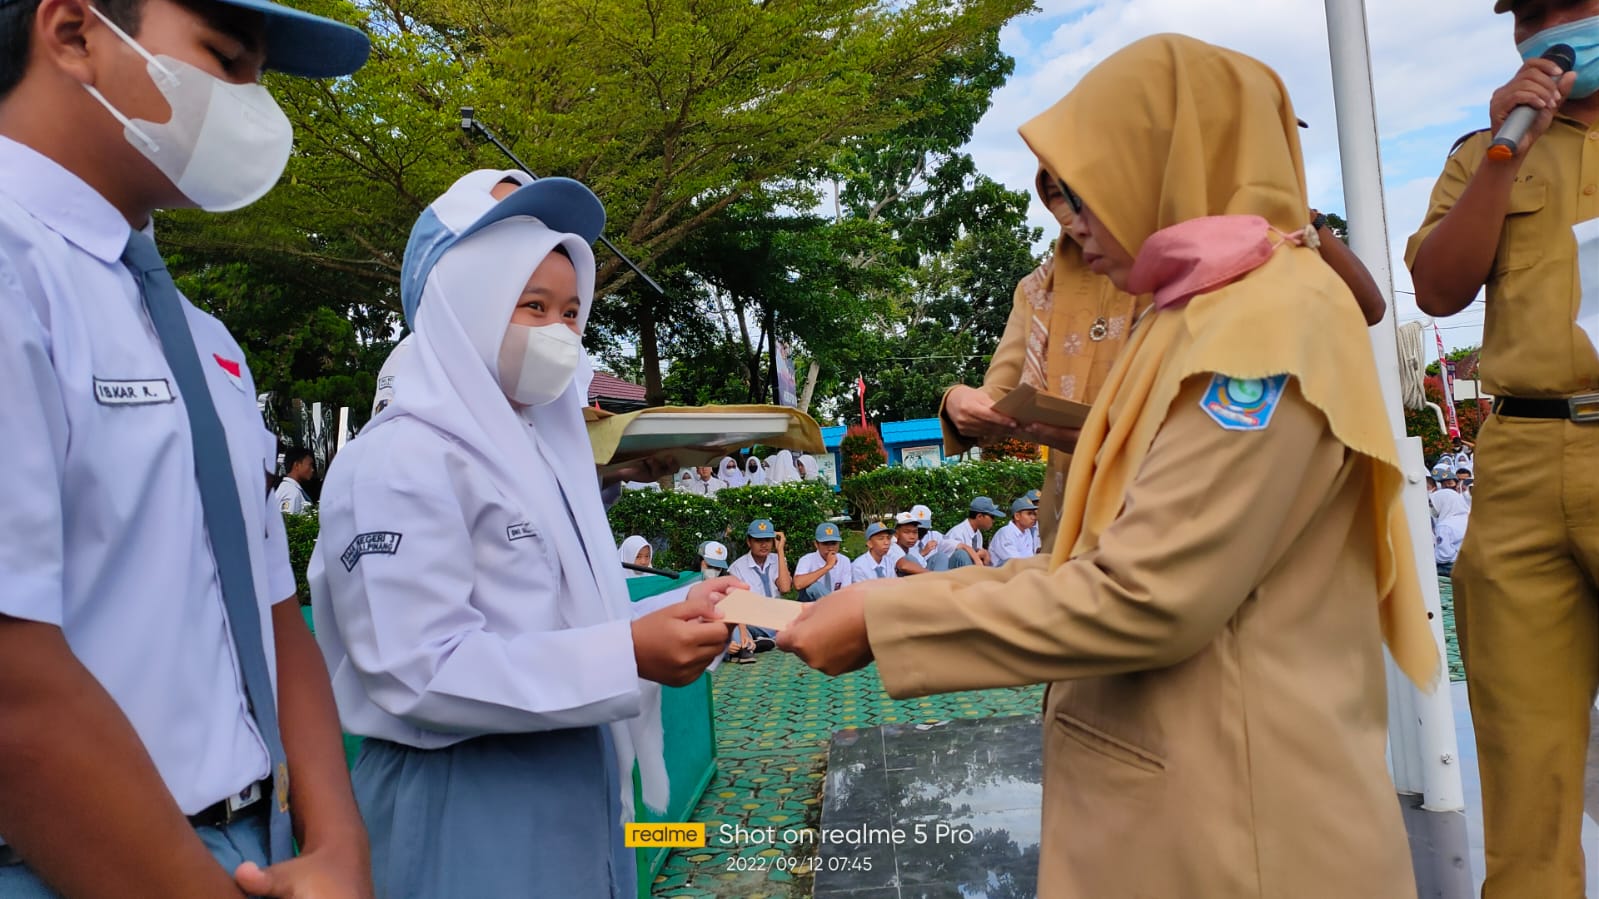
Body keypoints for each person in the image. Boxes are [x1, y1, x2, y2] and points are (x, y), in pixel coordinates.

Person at [780, 35, 1437, 898]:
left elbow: (1146, 596)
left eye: (1088, 190)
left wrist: (884, 617)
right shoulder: (1191, 309)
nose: (1072, 220)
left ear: (1164, 166)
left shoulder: (1261, 329)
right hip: (1178, 790)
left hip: (1238, 834)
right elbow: (1090, 567)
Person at [0, 0, 374, 895]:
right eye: (225, 57)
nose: (251, 103)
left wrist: (338, 843)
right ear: (74, 33)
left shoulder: (205, 340)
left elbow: (272, 609)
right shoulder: (17, 274)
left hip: (261, 840)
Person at [310, 172, 737, 899]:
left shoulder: (541, 454)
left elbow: (554, 619)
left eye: (571, 311)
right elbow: (418, 667)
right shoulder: (398, 459)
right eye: (530, 305)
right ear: (463, 308)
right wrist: (627, 651)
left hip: (574, 782)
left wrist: (672, 609)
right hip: (463, 801)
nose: (557, 332)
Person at [941, 168, 1385, 550]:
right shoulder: (1038, 289)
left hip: (1202, 523)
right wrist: (959, 403)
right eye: (1060, 197)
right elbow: (998, 398)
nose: (1076, 220)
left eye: (1085, 194)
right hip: (1082, 530)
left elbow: (1363, 307)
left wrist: (1295, 214)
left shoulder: (1217, 260)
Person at [1407, 8, 1599, 890]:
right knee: (1523, 753)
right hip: (1519, 453)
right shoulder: (1482, 147)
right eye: (1530, 13)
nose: (1551, 29)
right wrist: (1499, 154)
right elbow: (1437, 288)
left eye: (1575, 6)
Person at [726, 519, 789, 654]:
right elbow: (736, 605)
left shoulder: (777, 560)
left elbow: (785, 588)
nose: (764, 545)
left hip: (777, 618)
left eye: (767, 540)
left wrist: (780, 550)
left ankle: (762, 641)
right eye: (758, 540)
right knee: (737, 629)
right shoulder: (737, 568)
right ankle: (753, 643)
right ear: (749, 542)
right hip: (752, 620)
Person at [938, 497, 1005, 569]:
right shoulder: (957, 533)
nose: (993, 521)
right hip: (950, 576)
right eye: (992, 516)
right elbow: (954, 561)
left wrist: (985, 555)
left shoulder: (978, 534)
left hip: (967, 573)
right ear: (979, 516)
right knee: (961, 554)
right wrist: (976, 558)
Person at [794, 523, 853, 602]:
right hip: (811, 604)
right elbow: (798, 584)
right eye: (825, 544)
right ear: (816, 544)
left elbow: (845, 591)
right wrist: (827, 567)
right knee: (815, 587)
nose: (830, 548)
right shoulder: (807, 559)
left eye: (834, 543)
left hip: (837, 603)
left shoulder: (844, 560)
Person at [1430, 489, 1471, 579]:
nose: (1432, 508)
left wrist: (1429, 557)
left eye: (1432, 505)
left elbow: (1445, 555)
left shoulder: (1444, 526)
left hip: (1451, 566)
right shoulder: (1469, 519)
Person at [988, 497, 1039, 566]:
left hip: (1021, 572)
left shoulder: (1027, 531)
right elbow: (1015, 563)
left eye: (1034, 514)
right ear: (1017, 516)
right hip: (1000, 574)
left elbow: (1029, 558)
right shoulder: (1006, 533)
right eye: (1029, 514)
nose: (1034, 517)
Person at [275, 447, 315, 515]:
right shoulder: (291, 492)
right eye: (310, 465)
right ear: (296, 465)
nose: (312, 470)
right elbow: (288, 523)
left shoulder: (289, 488)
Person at [891, 512, 933, 577]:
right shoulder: (891, 548)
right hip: (901, 584)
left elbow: (923, 566)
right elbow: (904, 566)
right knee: (908, 558)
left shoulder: (913, 549)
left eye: (915, 532)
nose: (912, 537)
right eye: (906, 532)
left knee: (940, 556)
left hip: (922, 580)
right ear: (896, 534)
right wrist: (934, 574)